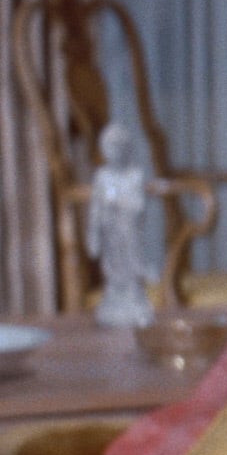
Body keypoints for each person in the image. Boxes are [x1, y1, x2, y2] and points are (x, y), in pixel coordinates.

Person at [87, 122, 154, 328]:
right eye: (109, 147)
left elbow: (139, 205)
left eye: (118, 146)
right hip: (109, 230)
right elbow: (96, 208)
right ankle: (114, 296)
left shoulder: (135, 176)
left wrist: (117, 204)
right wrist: (93, 234)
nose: (113, 152)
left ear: (126, 148)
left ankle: (134, 297)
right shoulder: (102, 176)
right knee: (112, 267)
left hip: (128, 230)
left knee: (131, 265)